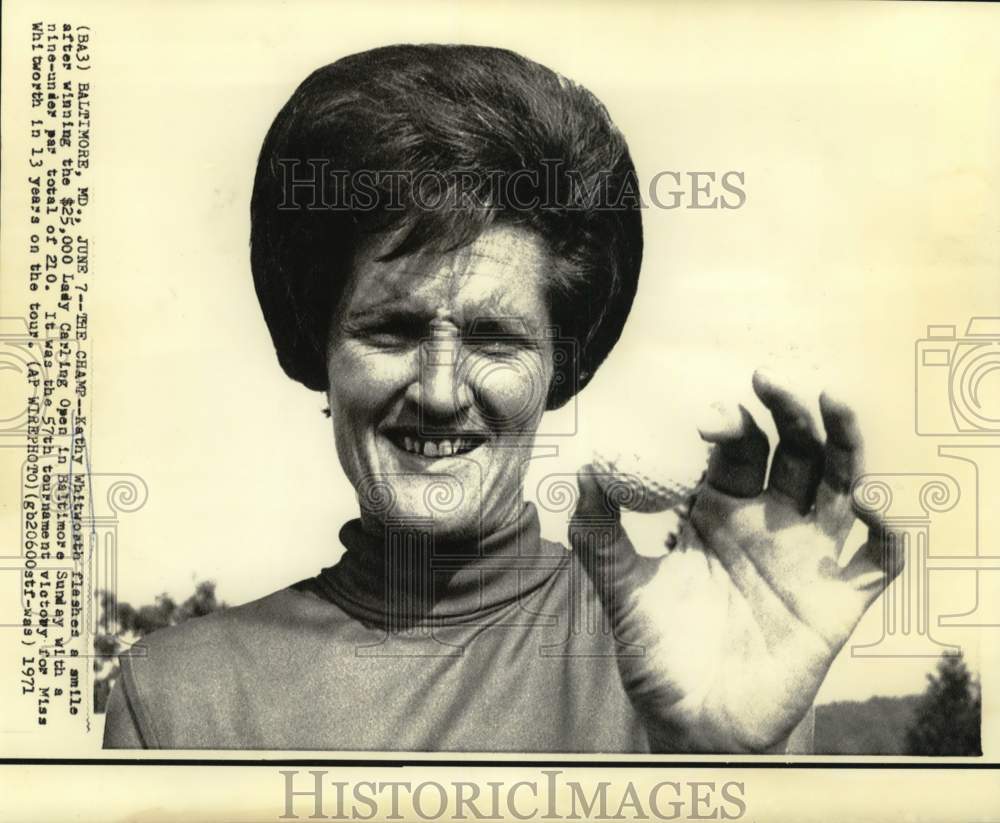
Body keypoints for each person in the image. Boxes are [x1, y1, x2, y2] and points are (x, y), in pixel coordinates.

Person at [103, 44, 898, 751]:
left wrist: (732, 767)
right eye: (392, 329)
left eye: (494, 338)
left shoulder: (689, 644)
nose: (443, 391)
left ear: (560, 366)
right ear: (321, 350)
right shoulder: (179, 699)